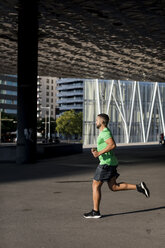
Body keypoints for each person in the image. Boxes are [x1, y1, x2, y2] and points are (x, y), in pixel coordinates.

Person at [84, 113, 150, 219]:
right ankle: (139, 187)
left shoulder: (105, 132)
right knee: (114, 187)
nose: (95, 122)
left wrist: (98, 153)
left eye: (97, 120)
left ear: (102, 122)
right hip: (111, 162)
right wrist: (97, 150)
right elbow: (108, 146)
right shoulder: (104, 132)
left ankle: (95, 212)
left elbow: (113, 145)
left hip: (106, 164)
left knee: (95, 185)